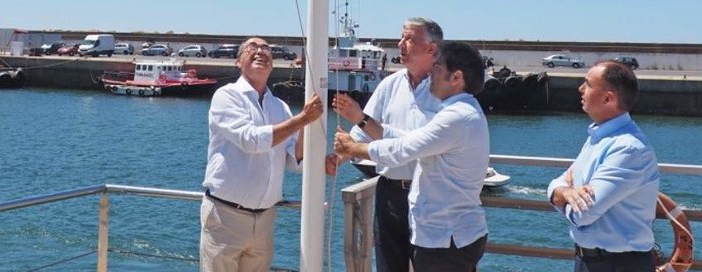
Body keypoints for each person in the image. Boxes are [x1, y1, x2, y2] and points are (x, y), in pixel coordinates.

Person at [334, 41, 489, 272]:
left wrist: (354, 149)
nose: (431, 74)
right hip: (448, 235)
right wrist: (363, 124)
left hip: (447, 238)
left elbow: (403, 149)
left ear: (456, 77)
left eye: (437, 69)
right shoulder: (461, 112)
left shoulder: (457, 117)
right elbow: (409, 139)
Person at [200, 37, 323, 272]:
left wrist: (309, 129)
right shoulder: (226, 96)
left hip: (265, 219)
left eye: (266, 48)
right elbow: (251, 140)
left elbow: (294, 161)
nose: (260, 52)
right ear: (238, 62)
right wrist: (301, 119)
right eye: (251, 48)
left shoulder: (280, 107)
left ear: (273, 63)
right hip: (226, 216)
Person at [330, 17, 443, 272]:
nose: (401, 43)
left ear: (432, 49)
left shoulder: (446, 90)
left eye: (410, 39)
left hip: (430, 194)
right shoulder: (389, 85)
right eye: (402, 37)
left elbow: (416, 144)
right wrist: (337, 158)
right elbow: (361, 136)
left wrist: (360, 119)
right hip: (389, 195)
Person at [547, 61, 659, 272]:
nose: (580, 89)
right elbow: (561, 181)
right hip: (590, 260)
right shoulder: (597, 138)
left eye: (588, 84)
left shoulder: (628, 149)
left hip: (620, 264)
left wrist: (560, 195)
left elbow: (583, 215)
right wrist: (564, 192)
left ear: (608, 98)